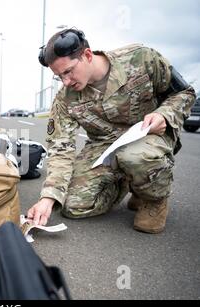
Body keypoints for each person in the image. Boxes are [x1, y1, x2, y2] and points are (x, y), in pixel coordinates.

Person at [28, 28, 196, 233]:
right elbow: (60, 149)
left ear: (87, 55)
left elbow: (185, 93)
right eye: (58, 76)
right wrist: (49, 197)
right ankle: (129, 181)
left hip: (148, 135)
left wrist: (165, 114)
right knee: (72, 205)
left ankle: (154, 199)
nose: (65, 82)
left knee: (134, 156)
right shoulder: (65, 99)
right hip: (104, 148)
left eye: (68, 71)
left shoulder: (141, 58)